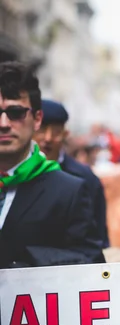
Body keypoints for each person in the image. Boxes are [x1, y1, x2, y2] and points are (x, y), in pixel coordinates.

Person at [0, 62, 105, 268]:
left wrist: (21, 263)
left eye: (16, 113)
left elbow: (90, 265)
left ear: (37, 119)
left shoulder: (69, 192)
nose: (4, 123)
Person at [33, 99, 110, 248]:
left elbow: (98, 236)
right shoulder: (13, 175)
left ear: (65, 134)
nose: (47, 138)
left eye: (55, 131)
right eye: (41, 130)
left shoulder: (84, 177)